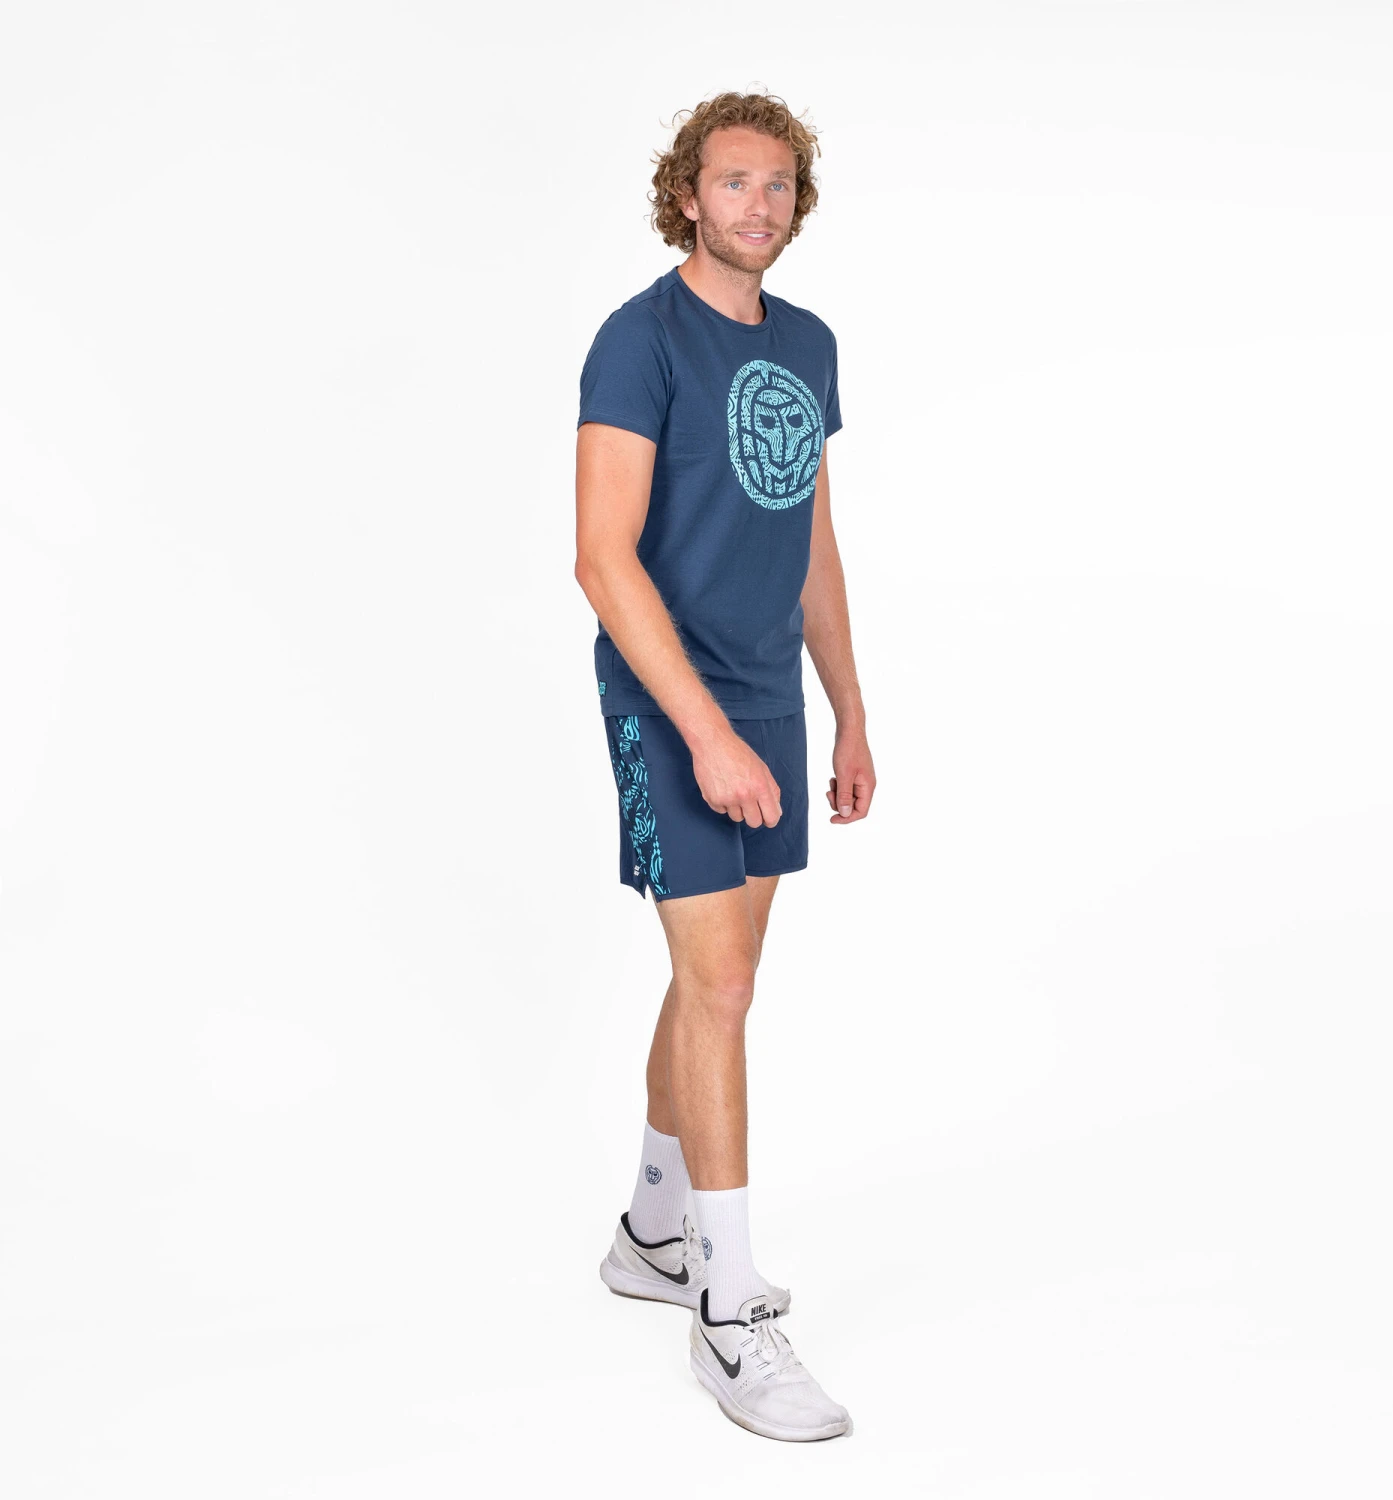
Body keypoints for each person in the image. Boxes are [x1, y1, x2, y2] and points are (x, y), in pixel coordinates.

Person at [573, 91, 874, 1443]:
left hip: (768, 692)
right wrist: (700, 730)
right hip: (665, 697)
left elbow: (812, 541)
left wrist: (848, 711)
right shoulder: (637, 341)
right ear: (686, 195)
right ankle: (728, 1308)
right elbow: (601, 557)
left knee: (716, 980)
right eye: (733, 181)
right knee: (726, 985)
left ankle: (652, 1229)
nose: (758, 203)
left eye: (778, 184)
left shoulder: (808, 345)